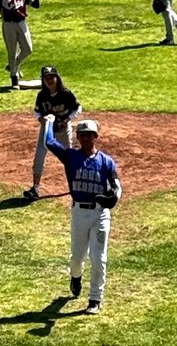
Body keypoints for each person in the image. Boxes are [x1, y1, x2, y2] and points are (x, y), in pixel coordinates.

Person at [43, 117, 120, 312]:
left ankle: (95, 299)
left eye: (89, 135)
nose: (86, 138)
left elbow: (116, 185)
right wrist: (49, 122)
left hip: (99, 214)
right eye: (82, 135)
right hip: (79, 213)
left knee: (98, 258)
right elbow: (49, 142)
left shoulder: (106, 161)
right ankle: (75, 277)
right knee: (77, 258)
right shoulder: (70, 156)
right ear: (77, 137)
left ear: (96, 136)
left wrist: (114, 198)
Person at [24, 65, 79, 200]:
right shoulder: (42, 95)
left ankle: (75, 185)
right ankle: (35, 188)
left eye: (51, 77)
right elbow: (37, 112)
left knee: (68, 157)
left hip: (62, 129)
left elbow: (77, 108)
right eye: (46, 78)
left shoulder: (66, 93)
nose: (49, 80)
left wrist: (67, 120)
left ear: (57, 78)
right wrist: (41, 120)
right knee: (39, 156)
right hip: (47, 129)